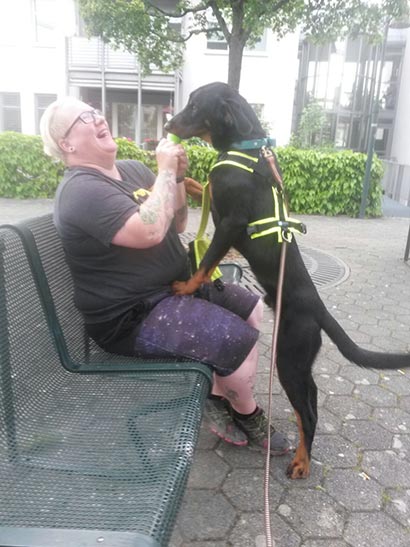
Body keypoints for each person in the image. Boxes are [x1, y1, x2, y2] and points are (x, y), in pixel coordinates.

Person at [40, 97, 290, 455]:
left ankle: (218, 395)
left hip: (171, 289)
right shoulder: (81, 190)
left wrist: (176, 177)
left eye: (94, 111)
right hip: (131, 315)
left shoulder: (131, 170)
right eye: (84, 118)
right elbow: (150, 231)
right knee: (240, 342)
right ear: (66, 143)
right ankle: (248, 415)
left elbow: (177, 222)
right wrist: (164, 172)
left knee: (252, 311)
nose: (97, 118)